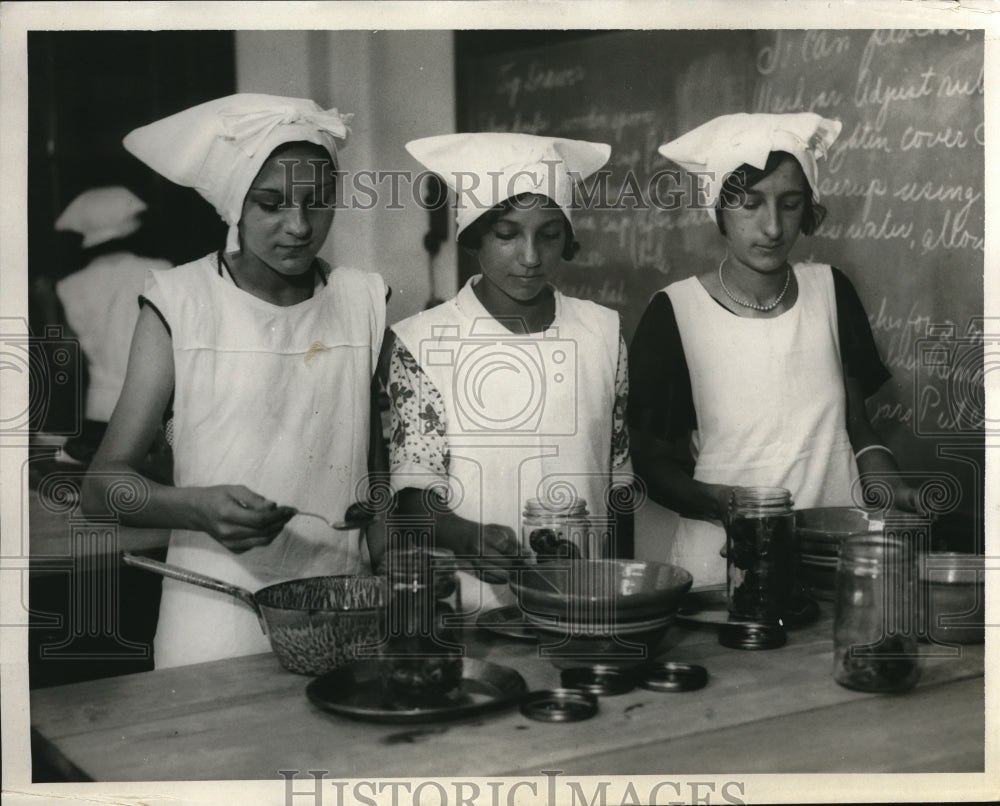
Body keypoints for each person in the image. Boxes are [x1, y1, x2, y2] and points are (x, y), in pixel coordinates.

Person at [83, 94, 387, 667]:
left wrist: (400, 582)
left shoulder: (362, 300)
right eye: (271, 204)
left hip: (344, 612)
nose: (298, 226)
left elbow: (375, 485)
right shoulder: (181, 303)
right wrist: (194, 507)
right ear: (234, 207)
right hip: (216, 618)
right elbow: (103, 486)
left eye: (317, 203)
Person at [627, 112, 919, 586]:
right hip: (723, 566)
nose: (772, 227)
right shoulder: (675, 311)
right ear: (718, 208)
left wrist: (896, 490)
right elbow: (652, 463)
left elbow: (857, 431)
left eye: (789, 204)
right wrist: (722, 503)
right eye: (750, 204)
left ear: (807, 208)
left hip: (834, 559)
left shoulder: (831, 291)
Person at [382, 132, 633, 612]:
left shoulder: (603, 333)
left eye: (550, 234)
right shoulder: (421, 342)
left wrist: (626, 593)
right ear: (474, 236)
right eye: (507, 234)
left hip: (589, 605)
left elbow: (618, 483)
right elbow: (411, 494)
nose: (532, 256)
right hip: (476, 610)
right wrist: (464, 535)